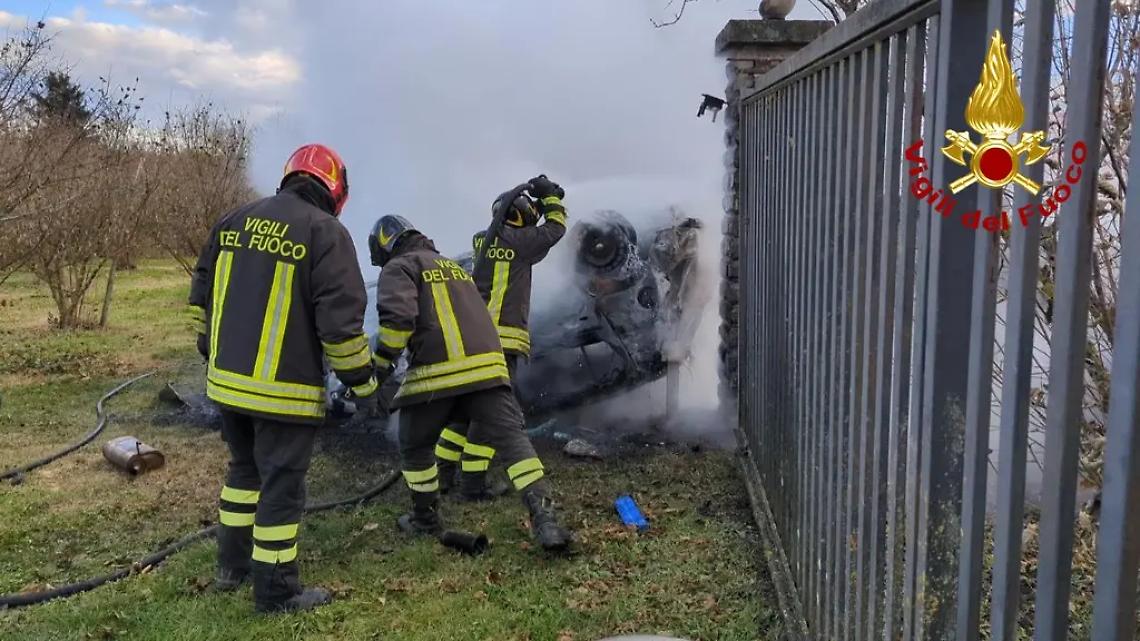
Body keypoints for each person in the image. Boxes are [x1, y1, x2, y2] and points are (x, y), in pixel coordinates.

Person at [188, 143, 379, 613]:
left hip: (226, 386)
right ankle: (275, 592)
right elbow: (341, 328)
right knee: (281, 488)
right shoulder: (326, 233)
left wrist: (213, 354)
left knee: (243, 474)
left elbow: (201, 303)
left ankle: (231, 568)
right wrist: (367, 387)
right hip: (284, 394)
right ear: (335, 190)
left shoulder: (234, 220)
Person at [367, 214, 573, 551]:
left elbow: (397, 323)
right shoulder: (454, 267)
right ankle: (546, 520)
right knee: (514, 443)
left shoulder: (399, 268)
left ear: (385, 243)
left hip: (437, 375)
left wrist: (380, 366)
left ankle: (425, 519)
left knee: (415, 445)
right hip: (488, 371)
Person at [434, 176, 568, 500]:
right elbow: (556, 228)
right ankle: (473, 486)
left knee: (463, 411)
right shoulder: (520, 241)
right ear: (518, 215)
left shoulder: (484, 240)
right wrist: (550, 197)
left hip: (473, 339)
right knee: (490, 415)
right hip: (502, 343)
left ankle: (442, 477)